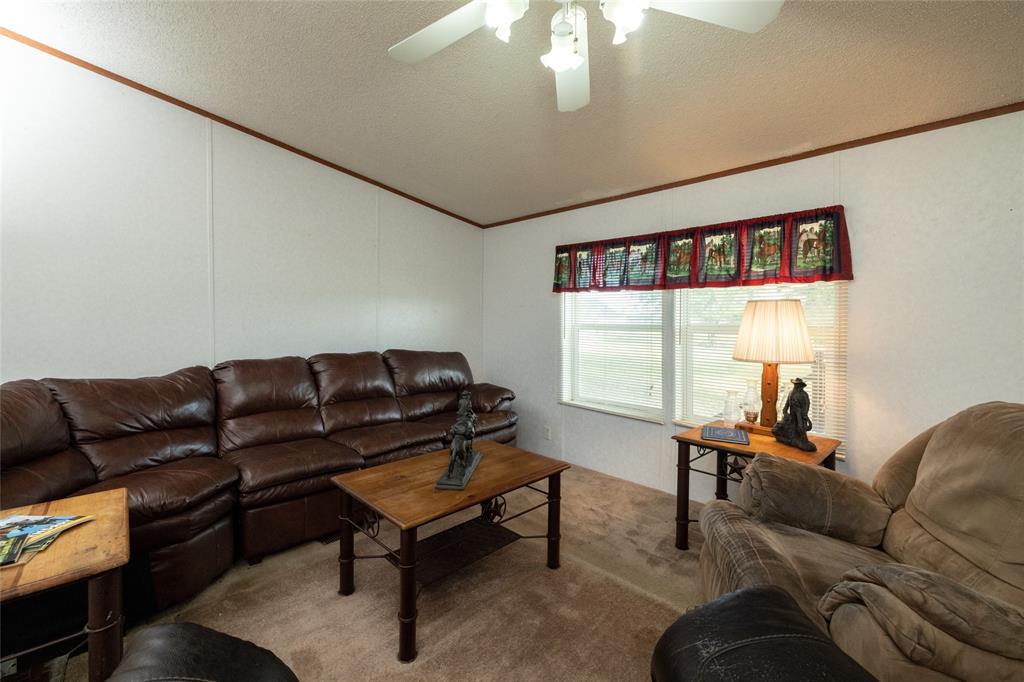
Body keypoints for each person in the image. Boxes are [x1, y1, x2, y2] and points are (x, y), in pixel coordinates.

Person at [772, 378, 816, 452]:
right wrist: (785, 410)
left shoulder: (804, 394)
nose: (796, 386)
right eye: (795, 384)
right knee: (791, 425)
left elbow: (807, 404)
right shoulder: (791, 393)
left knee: (800, 426)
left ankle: (803, 440)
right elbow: (787, 403)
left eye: (797, 384)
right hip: (792, 412)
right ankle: (792, 438)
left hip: (800, 412)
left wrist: (805, 414)